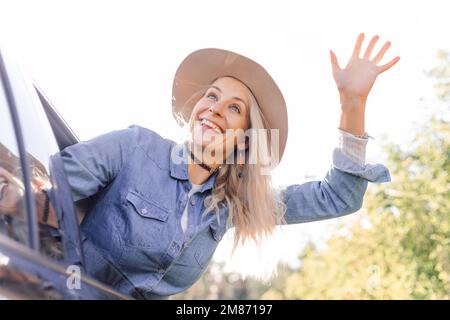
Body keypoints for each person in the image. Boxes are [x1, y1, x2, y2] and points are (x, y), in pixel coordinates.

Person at [59, 33, 398, 299]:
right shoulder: (133, 147)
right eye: (211, 96)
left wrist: (353, 104)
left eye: (234, 109)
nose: (215, 109)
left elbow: (338, 198)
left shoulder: (232, 206)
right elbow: (44, 189)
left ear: (245, 140)